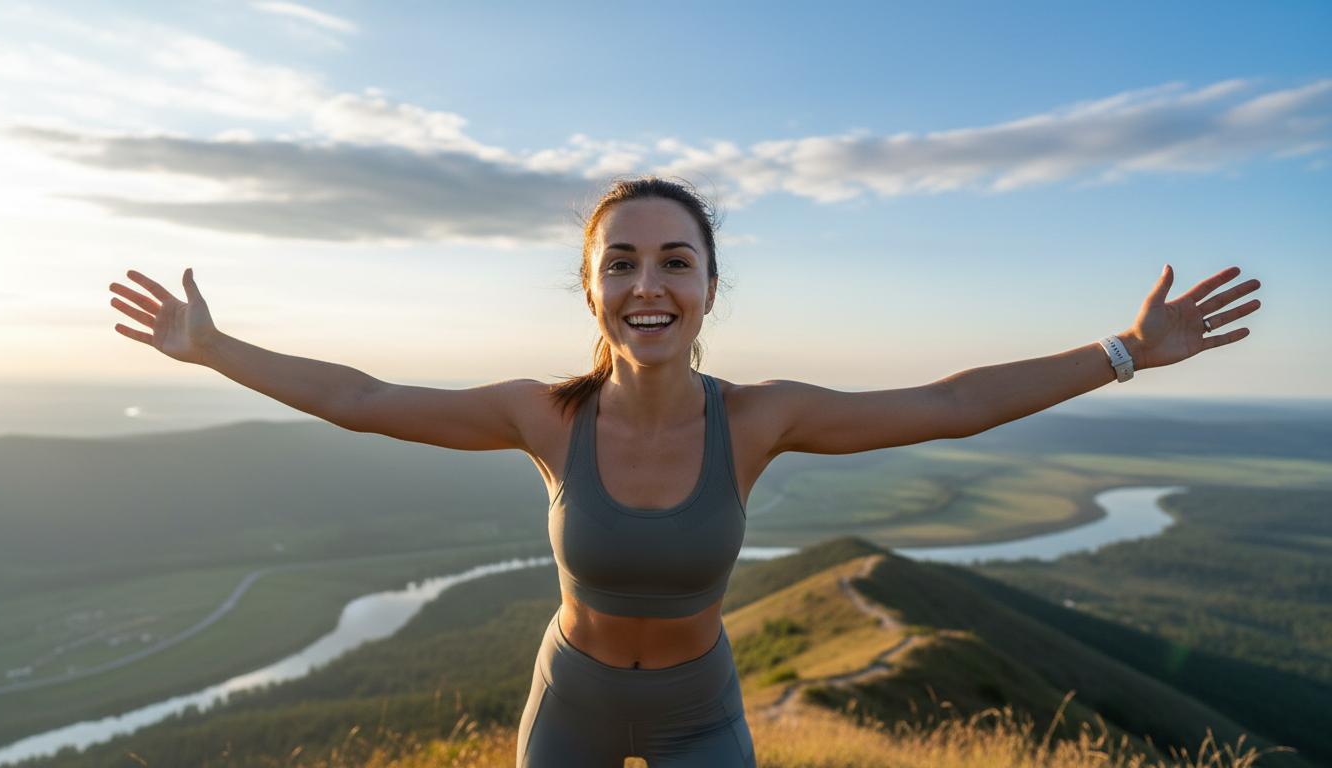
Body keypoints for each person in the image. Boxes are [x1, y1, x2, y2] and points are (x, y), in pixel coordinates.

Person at [108, 176, 1262, 767]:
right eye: (621, 263)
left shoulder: (760, 420)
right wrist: (211, 349)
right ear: (590, 288)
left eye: (675, 261)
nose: (647, 284)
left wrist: (1123, 352)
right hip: (571, 699)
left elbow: (954, 404)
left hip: (702, 709)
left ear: (710, 286)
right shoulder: (541, 416)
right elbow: (359, 401)